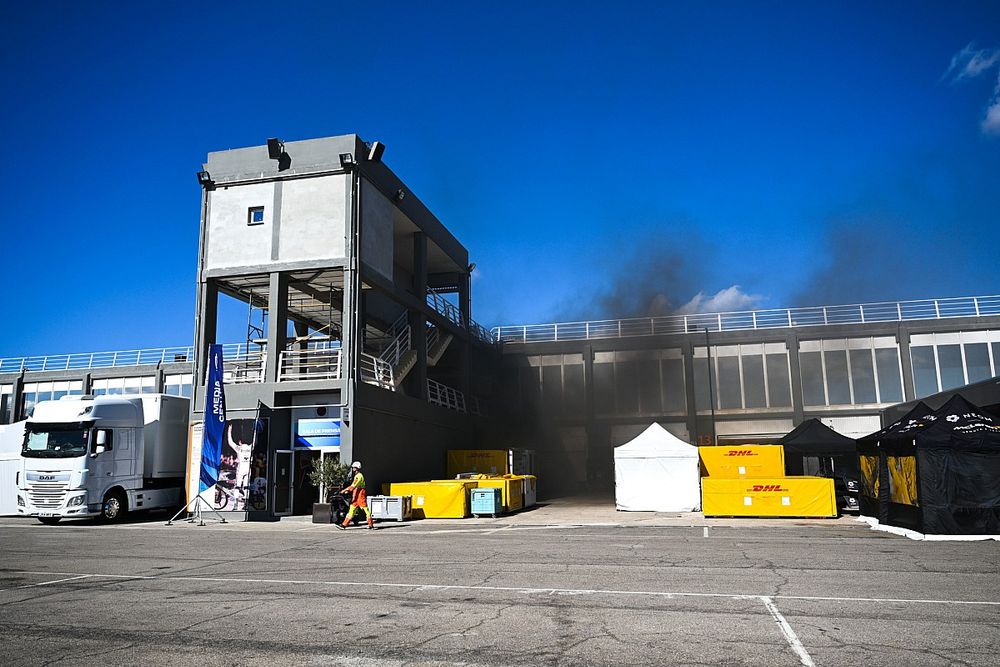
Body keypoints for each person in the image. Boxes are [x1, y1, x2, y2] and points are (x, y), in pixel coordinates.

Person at [338, 461, 374, 530]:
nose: (352, 469)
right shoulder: (357, 476)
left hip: (360, 496)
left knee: (366, 510)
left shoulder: (359, 476)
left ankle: (370, 524)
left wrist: (344, 490)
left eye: (353, 467)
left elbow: (353, 486)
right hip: (356, 496)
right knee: (351, 510)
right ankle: (344, 525)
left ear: (356, 468)